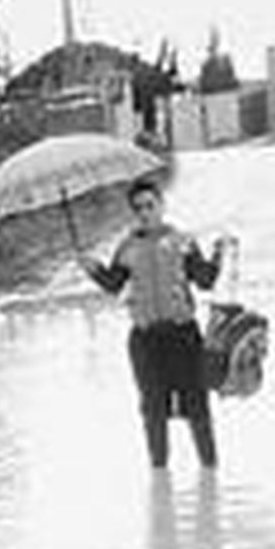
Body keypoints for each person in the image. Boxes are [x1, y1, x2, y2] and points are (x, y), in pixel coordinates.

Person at [79, 177, 228, 470]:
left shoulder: (183, 242)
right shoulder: (126, 248)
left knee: (197, 409)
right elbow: (114, 285)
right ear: (133, 213)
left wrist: (218, 254)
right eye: (138, 208)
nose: (145, 212)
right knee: (153, 413)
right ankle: (160, 480)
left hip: (184, 337)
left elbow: (205, 281)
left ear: (161, 204)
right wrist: (93, 269)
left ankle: (210, 475)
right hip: (145, 341)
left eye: (150, 205)